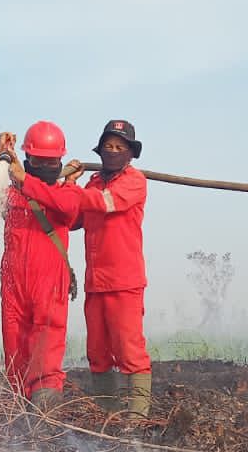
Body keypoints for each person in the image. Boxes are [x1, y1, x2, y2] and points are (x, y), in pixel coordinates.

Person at [10, 119, 151, 415]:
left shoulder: (134, 181)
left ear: (130, 154)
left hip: (124, 281)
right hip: (95, 282)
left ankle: (138, 421)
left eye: (119, 147)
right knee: (98, 354)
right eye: (108, 146)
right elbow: (72, 218)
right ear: (100, 151)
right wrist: (68, 186)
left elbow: (96, 203)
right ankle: (108, 416)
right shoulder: (94, 181)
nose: (112, 152)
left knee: (129, 351)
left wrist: (49, 185)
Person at [0, 122, 81, 405]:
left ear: (60, 160)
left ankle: (45, 421)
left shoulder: (68, 193)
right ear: (27, 157)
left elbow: (67, 209)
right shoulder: (14, 196)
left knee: (46, 350)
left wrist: (24, 178)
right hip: (14, 286)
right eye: (38, 160)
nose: (46, 165)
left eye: (51, 161)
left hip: (48, 285)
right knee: (15, 348)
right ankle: (18, 412)